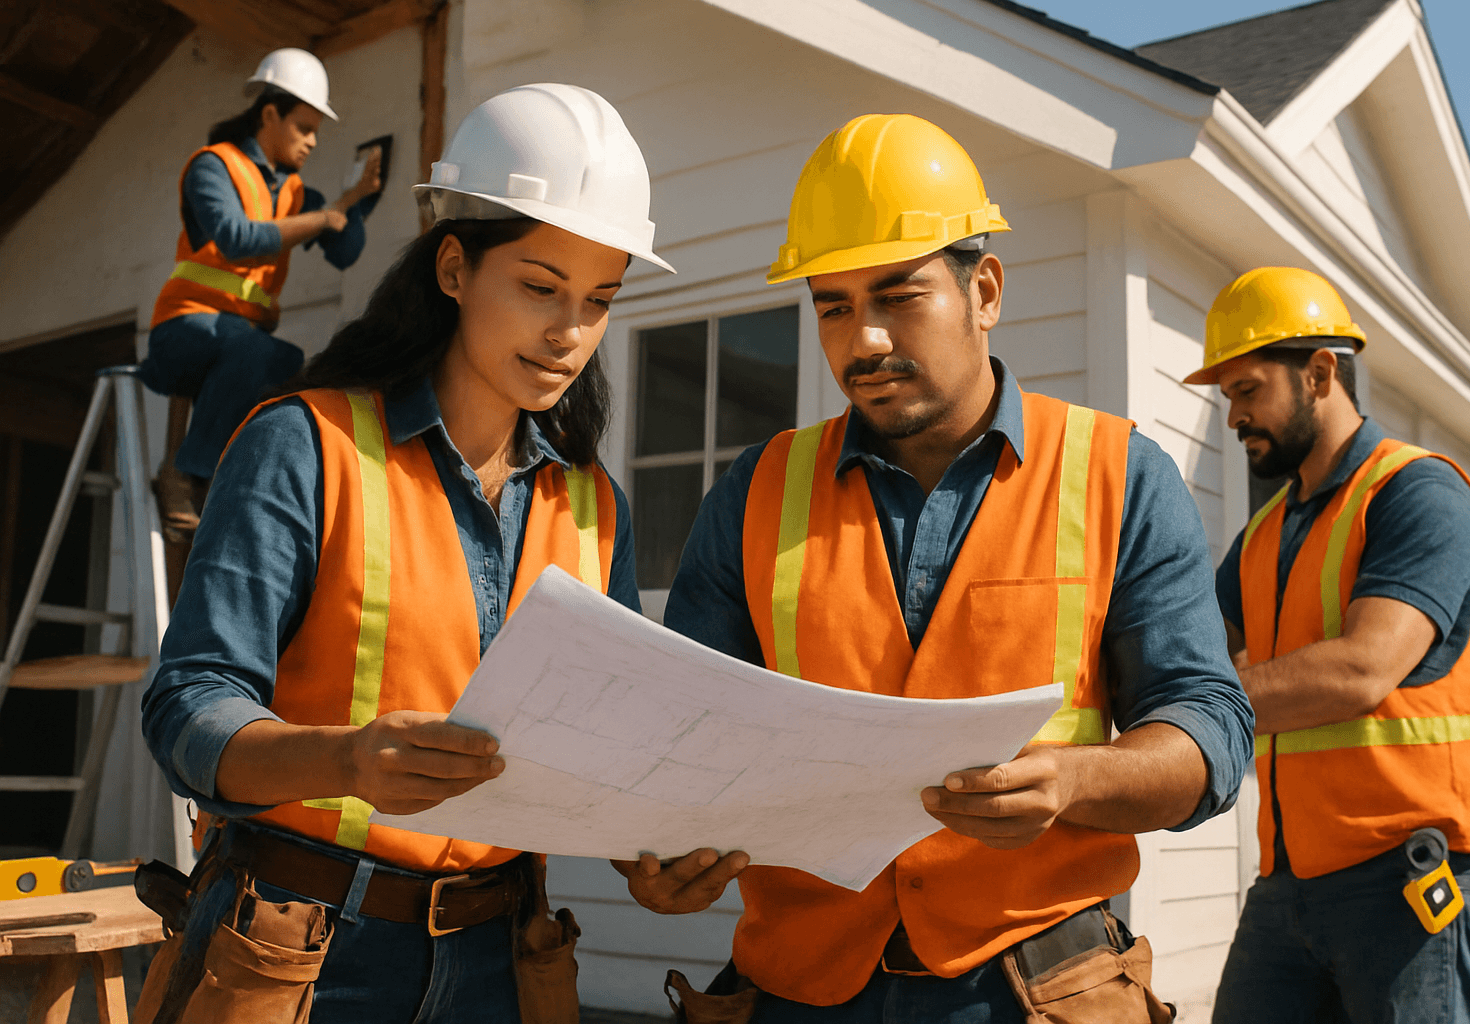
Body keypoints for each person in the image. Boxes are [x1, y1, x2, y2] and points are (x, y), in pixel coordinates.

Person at [620, 113, 1254, 1023]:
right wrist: (656, 852)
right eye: (832, 306)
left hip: (1030, 986)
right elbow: (677, 745)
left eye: (897, 294)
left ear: (984, 289)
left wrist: (1075, 780)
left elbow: (1211, 731)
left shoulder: (1118, 476)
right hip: (800, 988)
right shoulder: (752, 495)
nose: (863, 340)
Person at [136, 83, 674, 1024]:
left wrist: (657, 852)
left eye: (599, 301)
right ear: (455, 268)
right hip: (298, 952)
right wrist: (344, 760)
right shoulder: (305, 443)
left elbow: (604, 748)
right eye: (541, 288)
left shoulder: (593, 505)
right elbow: (188, 709)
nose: (569, 334)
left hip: (502, 959)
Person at [1189, 267, 1470, 1024]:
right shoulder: (1262, 536)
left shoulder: (1418, 493)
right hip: (1288, 884)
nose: (1234, 416)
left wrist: (1201, 705)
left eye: (1247, 390)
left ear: (1320, 373)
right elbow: (1187, 657)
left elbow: (1364, 669)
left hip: (1407, 880)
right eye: (1227, 397)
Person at [138, 48, 382, 546]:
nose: (313, 142)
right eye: (304, 127)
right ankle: (185, 476)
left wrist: (350, 203)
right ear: (269, 113)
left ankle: (232, 483)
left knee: (288, 365)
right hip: (184, 328)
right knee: (263, 352)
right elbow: (234, 236)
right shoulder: (214, 166)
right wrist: (323, 217)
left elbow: (345, 252)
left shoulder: (295, 193)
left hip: (237, 342)